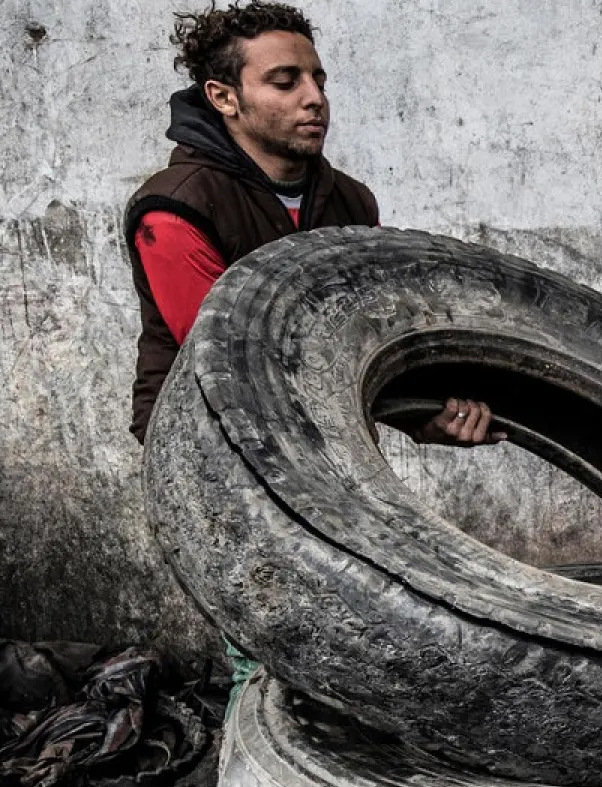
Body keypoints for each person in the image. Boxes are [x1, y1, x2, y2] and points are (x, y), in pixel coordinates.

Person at [124, 1, 502, 707]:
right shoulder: (176, 208)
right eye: (286, 80)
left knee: (357, 662)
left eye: (319, 79)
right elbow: (231, 375)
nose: (315, 98)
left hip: (329, 456)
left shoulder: (349, 202)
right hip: (216, 464)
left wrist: (427, 414)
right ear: (224, 97)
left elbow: (367, 338)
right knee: (269, 663)